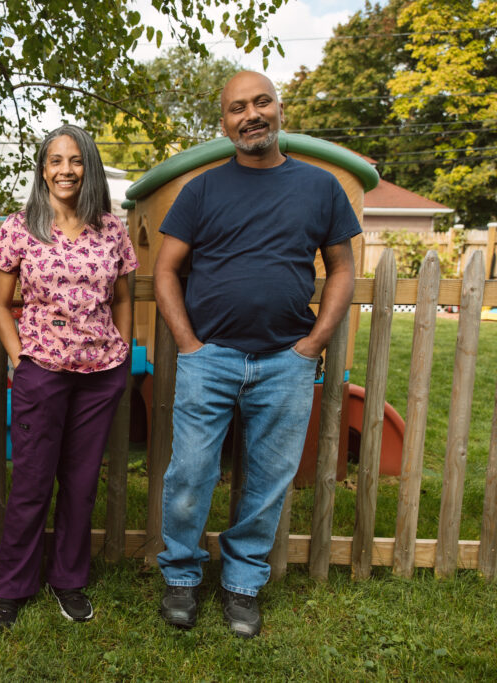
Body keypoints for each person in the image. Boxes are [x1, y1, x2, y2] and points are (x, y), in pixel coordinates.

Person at [154, 71, 360, 638]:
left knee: (268, 480)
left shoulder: (320, 188)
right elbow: (166, 269)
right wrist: (189, 344)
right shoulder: (200, 190)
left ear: (279, 108)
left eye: (261, 102)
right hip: (210, 358)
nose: (251, 115)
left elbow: (343, 268)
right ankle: (181, 575)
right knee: (191, 473)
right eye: (237, 107)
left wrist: (312, 344)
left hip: (284, 363)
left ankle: (243, 583)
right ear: (223, 122)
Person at [0, 125, 137, 630]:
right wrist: (21, 358)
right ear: (42, 168)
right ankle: (12, 586)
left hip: (100, 375)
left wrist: (122, 359)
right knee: (31, 482)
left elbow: (123, 299)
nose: (65, 170)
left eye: (75, 160)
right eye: (55, 160)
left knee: (80, 482)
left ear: (88, 167)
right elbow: (1, 305)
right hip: (41, 372)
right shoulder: (20, 226)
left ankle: (68, 580)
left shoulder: (112, 229)